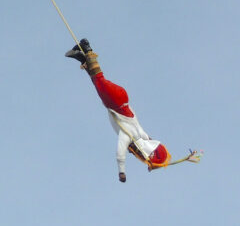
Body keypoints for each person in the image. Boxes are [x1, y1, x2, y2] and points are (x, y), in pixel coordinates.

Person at [65, 38, 199, 181]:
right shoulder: (129, 135)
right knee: (99, 81)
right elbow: (120, 153)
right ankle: (87, 48)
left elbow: (150, 141)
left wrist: (154, 163)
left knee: (97, 83)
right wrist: (122, 172)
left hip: (121, 99)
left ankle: (81, 57)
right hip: (116, 101)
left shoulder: (141, 133)